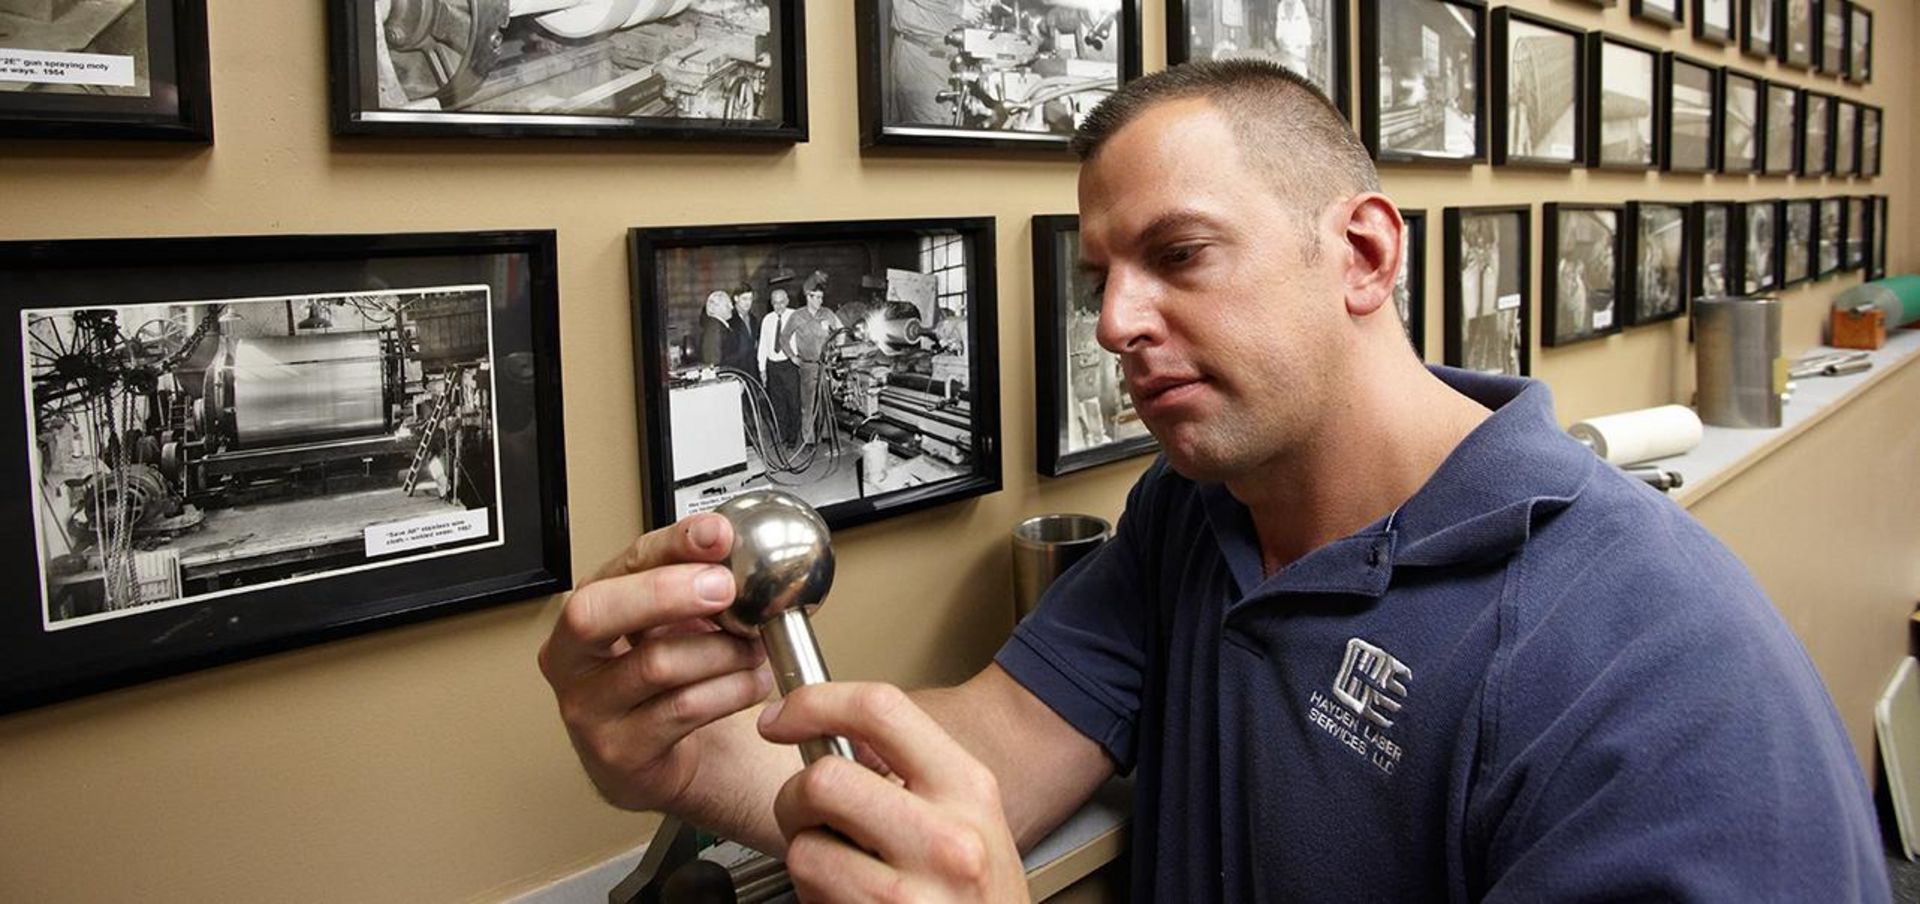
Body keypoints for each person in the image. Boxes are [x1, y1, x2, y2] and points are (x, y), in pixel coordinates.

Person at [541, 61, 1889, 902]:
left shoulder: (1654, 663)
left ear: (1363, 254)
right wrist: (684, 753)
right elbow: (988, 756)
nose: (1115, 322)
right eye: (1101, 278)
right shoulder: (1193, 517)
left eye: (1179, 256)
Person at [779, 272, 843, 447]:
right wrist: (792, 356)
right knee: (808, 405)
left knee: (826, 402)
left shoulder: (827, 313)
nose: (821, 301)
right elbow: (783, 338)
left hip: (826, 366)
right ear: (808, 297)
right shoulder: (797, 316)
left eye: (822, 297)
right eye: (817, 297)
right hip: (808, 367)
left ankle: (826, 434)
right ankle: (808, 440)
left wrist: (836, 351)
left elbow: (841, 331)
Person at [758, 287, 802, 447]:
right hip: (773, 366)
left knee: (793, 402)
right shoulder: (767, 320)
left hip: (789, 365)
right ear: (771, 303)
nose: (779, 306)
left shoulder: (795, 316)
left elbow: (802, 341)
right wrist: (762, 369)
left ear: (787, 301)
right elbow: (763, 345)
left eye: (782, 302)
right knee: (777, 404)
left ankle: (792, 438)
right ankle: (781, 436)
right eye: (775, 303)